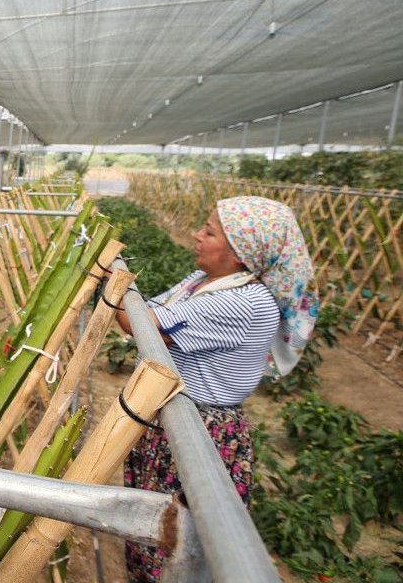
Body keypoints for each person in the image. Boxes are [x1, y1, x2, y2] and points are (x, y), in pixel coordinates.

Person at [114, 195, 318, 582]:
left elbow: (141, 322)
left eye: (209, 231)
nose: (196, 235)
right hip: (174, 420)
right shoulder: (205, 282)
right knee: (150, 537)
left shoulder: (244, 303)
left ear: (242, 251)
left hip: (200, 430)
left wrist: (107, 285)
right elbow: (149, 309)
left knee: (174, 546)